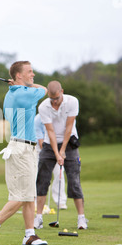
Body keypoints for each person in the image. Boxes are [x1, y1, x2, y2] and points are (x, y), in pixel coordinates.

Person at [0, 61, 48, 245]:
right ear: (18, 75)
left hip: (25, 148)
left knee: (28, 195)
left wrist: (21, 85)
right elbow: (46, 89)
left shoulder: (12, 93)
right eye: (30, 72)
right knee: (20, 195)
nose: (33, 75)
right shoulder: (23, 95)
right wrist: (27, 85)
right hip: (22, 149)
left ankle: (29, 235)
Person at [36, 80, 88, 230]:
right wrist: (56, 153)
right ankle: (38, 218)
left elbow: (69, 127)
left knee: (74, 180)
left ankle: (81, 218)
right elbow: (50, 132)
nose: (54, 102)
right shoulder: (43, 106)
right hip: (48, 144)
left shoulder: (72, 102)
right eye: (52, 99)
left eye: (57, 99)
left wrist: (63, 150)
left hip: (69, 143)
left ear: (62, 92)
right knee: (42, 180)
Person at [34, 113, 67, 229]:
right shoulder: (38, 119)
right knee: (41, 178)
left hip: (57, 149)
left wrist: (58, 154)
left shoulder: (59, 118)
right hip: (42, 150)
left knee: (59, 174)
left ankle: (60, 201)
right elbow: (41, 141)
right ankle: (35, 203)